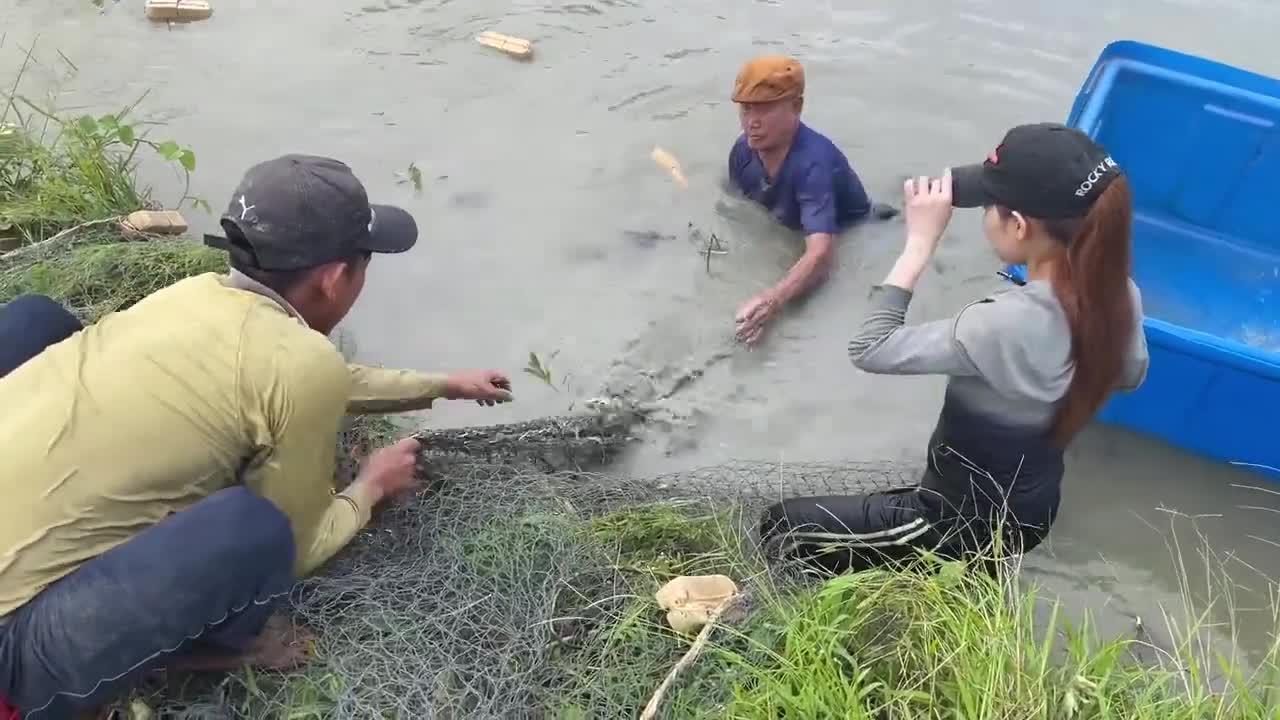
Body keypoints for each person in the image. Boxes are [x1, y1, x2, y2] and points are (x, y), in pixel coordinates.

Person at [0, 154, 514, 719]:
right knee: (252, 531)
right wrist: (369, 488)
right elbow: (299, 544)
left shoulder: (194, 294)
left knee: (35, 322)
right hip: (12, 657)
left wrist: (440, 385)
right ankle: (210, 649)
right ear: (335, 278)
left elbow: (298, 378)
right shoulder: (298, 362)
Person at [758, 123, 1150, 575]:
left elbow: (869, 347)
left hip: (953, 518)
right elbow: (1129, 375)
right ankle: (964, 578)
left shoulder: (996, 324)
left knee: (783, 526)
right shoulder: (1120, 294)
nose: (983, 216)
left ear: (1019, 226)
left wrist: (919, 245)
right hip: (1034, 506)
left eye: (988, 207)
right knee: (948, 555)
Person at [727, 53, 873, 346]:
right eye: (745, 109)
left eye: (765, 109)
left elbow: (822, 255)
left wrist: (773, 300)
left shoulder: (812, 165)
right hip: (792, 222)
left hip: (859, 229)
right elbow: (734, 207)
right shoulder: (742, 151)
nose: (751, 122)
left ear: (797, 107)